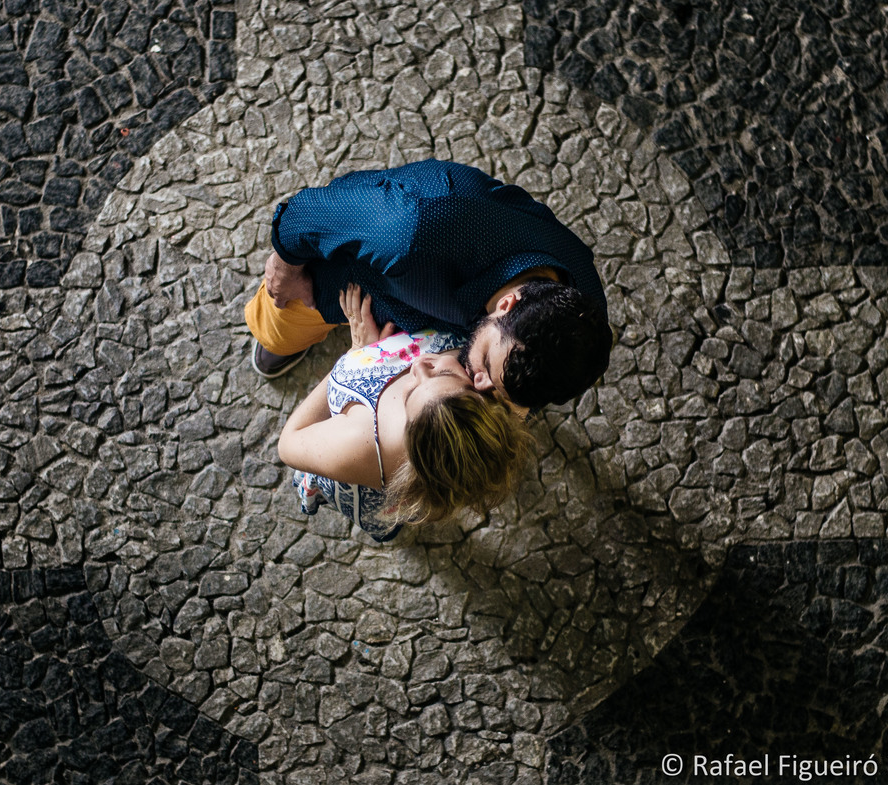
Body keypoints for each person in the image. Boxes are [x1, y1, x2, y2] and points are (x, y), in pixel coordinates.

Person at [246, 160, 613, 410]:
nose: (480, 385)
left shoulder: (583, 318)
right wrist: (284, 269)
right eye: (486, 366)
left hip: (411, 312)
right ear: (507, 305)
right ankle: (283, 336)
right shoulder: (408, 231)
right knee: (276, 329)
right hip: (345, 285)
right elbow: (304, 213)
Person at [278, 286, 533, 541]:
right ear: (483, 392)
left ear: (409, 436)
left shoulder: (358, 443)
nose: (420, 366)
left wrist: (355, 355)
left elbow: (288, 442)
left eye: (409, 395)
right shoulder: (501, 392)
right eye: (445, 374)